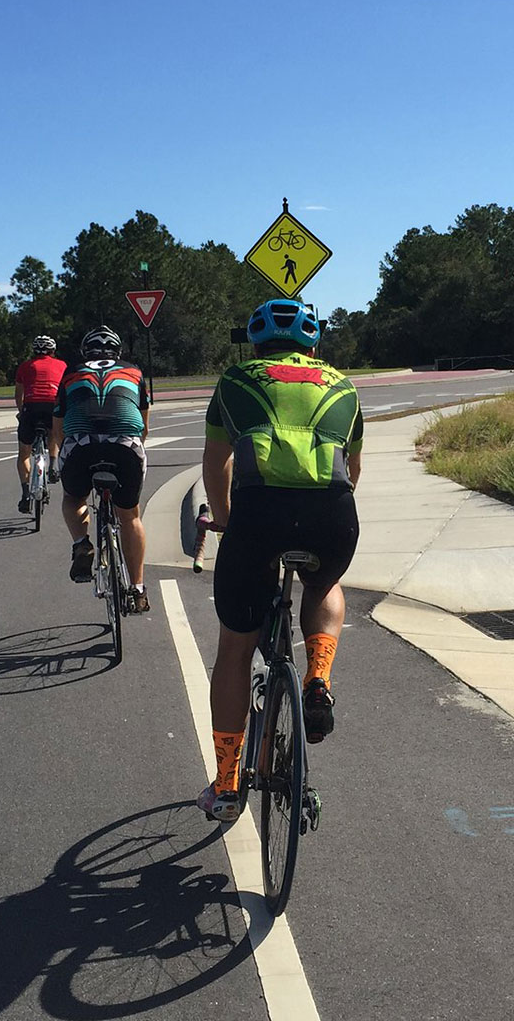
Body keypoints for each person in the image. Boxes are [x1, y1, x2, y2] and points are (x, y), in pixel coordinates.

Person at [197, 298, 363, 823]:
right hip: (331, 516)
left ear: (256, 343)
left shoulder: (234, 380)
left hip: (257, 518)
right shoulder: (343, 384)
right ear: (312, 345)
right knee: (324, 584)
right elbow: (352, 470)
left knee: (234, 650)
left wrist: (226, 521)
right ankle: (318, 677)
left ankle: (226, 785)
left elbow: (216, 463)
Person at [53, 326, 152, 613]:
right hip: (125, 445)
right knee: (130, 515)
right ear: (117, 352)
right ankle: (138, 589)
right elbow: (143, 427)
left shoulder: (71, 372)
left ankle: (82, 544)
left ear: (86, 352)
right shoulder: (134, 371)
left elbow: (58, 428)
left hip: (80, 444)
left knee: (74, 498)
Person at [13, 335, 66, 514]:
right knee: (54, 432)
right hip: (52, 405)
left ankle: (25, 494)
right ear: (53, 351)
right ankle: (52, 466)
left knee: (24, 453)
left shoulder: (25, 366)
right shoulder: (62, 365)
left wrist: (21, 412)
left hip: (31, 407)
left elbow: (18, 394)